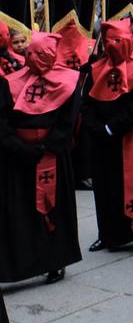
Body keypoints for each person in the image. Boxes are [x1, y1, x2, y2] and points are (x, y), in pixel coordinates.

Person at [0, 33, 81, 284]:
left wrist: (47, 145)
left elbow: (69, 121)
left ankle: (55, 260)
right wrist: (19, 147)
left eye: (40, 54)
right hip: (19, 159)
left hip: (52, 156)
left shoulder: (69, 81)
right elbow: (3, 122)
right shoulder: (9, 83)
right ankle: (21, 265)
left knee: (53, 212)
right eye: (30, 53)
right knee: (20, 213)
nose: (34, 58)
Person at [82, 19, 133, 252]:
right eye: (109, 41)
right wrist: (97, 128)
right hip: (103, 138)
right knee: (106, 185)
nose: (114, 46)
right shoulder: (97, 68)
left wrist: (112, 127)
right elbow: (86, 103)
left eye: (119, 40)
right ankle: (108, 233)